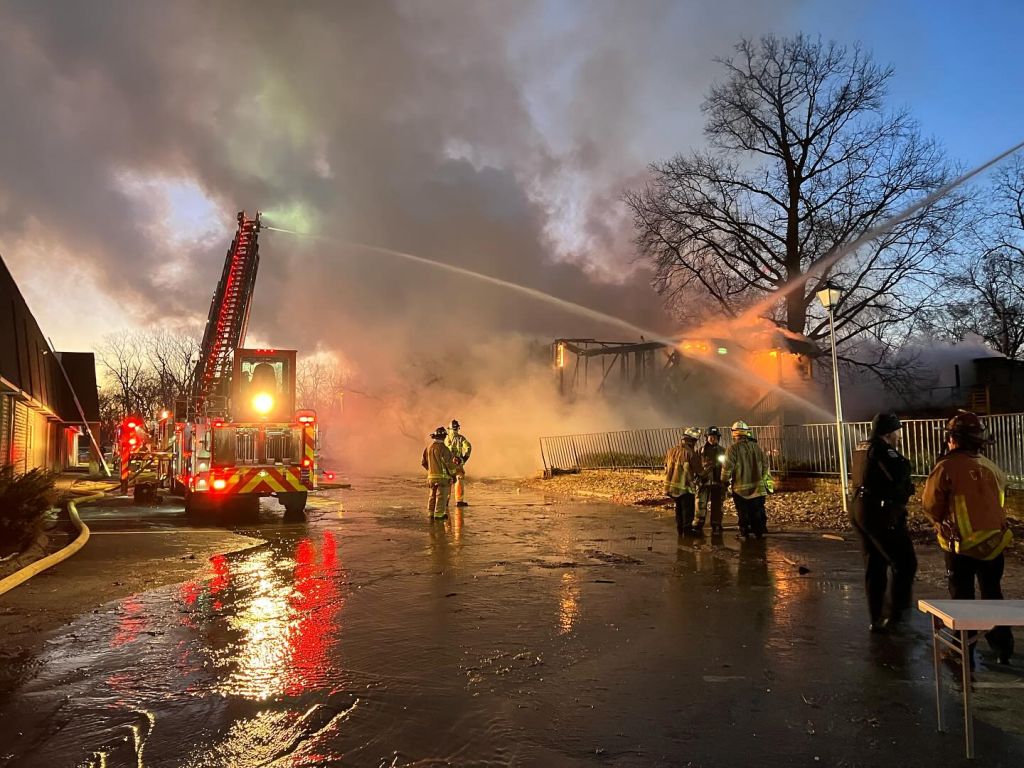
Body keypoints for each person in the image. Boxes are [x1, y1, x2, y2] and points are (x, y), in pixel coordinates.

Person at [922, 410, 1014, 664]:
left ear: (953, 438)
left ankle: (962, 650)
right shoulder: (991, 467)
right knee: (992, 595)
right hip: (995, 544)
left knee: (962, 598)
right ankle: (1002, 648)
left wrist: (940, 523)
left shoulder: (946, 467)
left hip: (960, 546)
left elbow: (930, 504)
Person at [849, 413, 917, 633]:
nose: (899, 435)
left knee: (875, 563)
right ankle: (896, 617)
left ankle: (877, 618)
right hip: (878, 512)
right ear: (889, 433)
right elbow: (902, 469)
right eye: (897, 431)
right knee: (904, 562)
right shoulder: (882, 449)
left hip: (860, 509)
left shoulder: (862, 447)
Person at [722, 420, 770, 539]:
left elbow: (727, 468)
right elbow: (765, 465)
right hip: (758, 488)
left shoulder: (732, 449)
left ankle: (745, 532)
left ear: (734, 433)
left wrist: (724, 479)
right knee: (756, 510)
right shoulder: (757, 447)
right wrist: (765, 482)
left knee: (743, 511)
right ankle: (759, 531)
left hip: (740, 489)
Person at [664, 427, 704, 535]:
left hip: (672, 487)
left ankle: (680, 529)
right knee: (688, 510)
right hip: (685, 487)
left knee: (679, 509)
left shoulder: (671, 451)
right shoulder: (690, 453)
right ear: (692, 441)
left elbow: (665, 467)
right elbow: (700, 471)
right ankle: (687, 531)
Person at [422, 426, 458, 520]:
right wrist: (453, 475)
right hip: (443, 479)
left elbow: (423, 462)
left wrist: (431, 471)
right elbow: (449, 465)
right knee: (441, 497)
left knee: (432, 496)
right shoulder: (444, 449)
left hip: (431, 478)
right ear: (444, 437)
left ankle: (430, 513)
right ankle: (439, 515)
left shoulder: (428, 448)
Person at [696, 426, 727, 534]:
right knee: (701, 503)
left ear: (718, 438)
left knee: (717, 505)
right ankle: (698, 523)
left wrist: (725, 481)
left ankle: (716, 524)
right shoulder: (701, 451)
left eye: (714, 436)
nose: (712, 438)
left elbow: (727, 466)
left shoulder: (723, 451)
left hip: (718, 482)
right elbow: (695, 465)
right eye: (710, 436)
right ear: (706, 437)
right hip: (704, 482)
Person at [445, 419, 472, 507]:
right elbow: (468, 447)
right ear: (457, 428)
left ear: (449, 429)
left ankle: (445, 501)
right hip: (457, 464)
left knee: (447, 482)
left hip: (446, 465)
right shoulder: (461, 438)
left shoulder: (445, 439)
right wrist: (463, 459)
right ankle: (459, 501)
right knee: (459, 480)